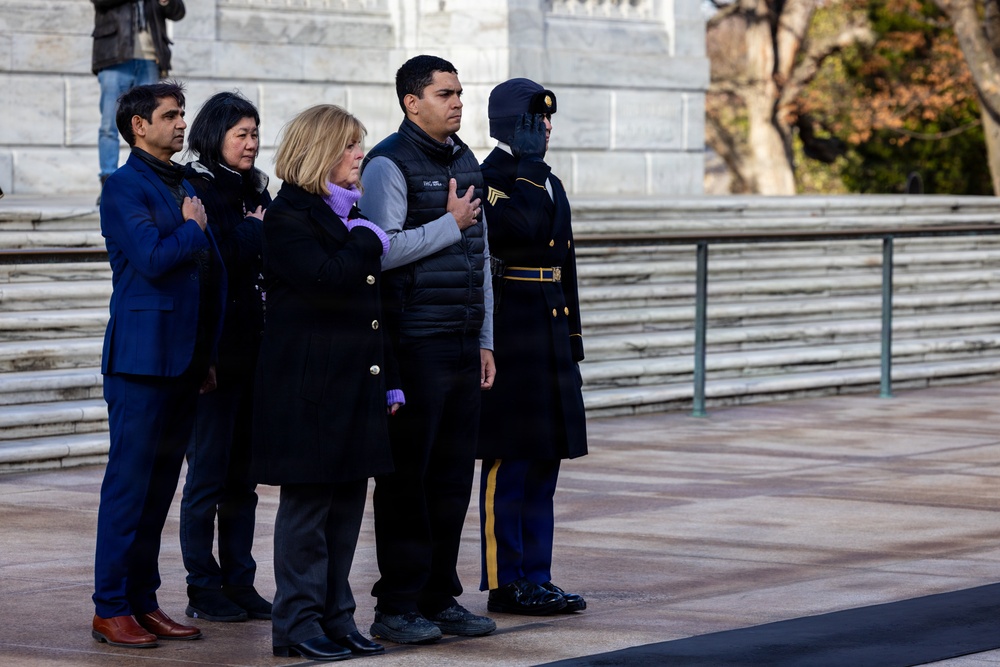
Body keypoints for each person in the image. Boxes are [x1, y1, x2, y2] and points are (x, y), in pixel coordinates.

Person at [252, 104, 400, 662]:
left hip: (353, 385)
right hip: (308, 390)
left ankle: (338, 619)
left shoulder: (346, 217)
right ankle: (296, 623)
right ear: (320, 152)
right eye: (350, 146)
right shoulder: (290, 214)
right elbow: (326, 282)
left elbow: (372, 310)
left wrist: (390, 381)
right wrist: (367, 239)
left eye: (359, 145)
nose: (360, 155)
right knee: (308, 513)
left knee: (344, 514)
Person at [358, 54, 497, 645]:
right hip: (415, 342)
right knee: (407, 480)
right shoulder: (387, 162)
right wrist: (448, 224)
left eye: (460, 93)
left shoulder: (465, 159)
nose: (458, 103)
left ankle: (441, 597)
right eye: (445, 94)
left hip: (463, 340)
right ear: (412, 102)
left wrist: (486, 337)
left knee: (449, 480)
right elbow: (379, 250)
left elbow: (482, 255)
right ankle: (398, 603)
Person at [92, 80, 225, 649]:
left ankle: (143, 601)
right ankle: (110, 607)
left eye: (181, 115)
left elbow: (210, 273)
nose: (180, 124)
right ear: (138, 126)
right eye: (170, 116)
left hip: (185, 360)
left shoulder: (186, 182)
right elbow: (150, 259)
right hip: (141, 362)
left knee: (160, 490)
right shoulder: (122, 187)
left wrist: (207, 354)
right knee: (129, 488)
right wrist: (192, 228)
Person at [476, 79, 589, 616]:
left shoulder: (551, 182)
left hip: (548, 335)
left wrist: (573, 345)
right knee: (511, 463)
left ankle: (537, 576)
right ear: (508, 125)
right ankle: (505, 580)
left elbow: (564, 264)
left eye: (547, 120)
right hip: (513, 335)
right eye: (533, 120)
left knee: (546, 462)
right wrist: (524, 167)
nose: (544, 128)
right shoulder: (491, 179)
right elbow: (518, 229)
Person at [179, 91, 272, 623]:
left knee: (243, 481)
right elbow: (216, 259)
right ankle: (202, 586)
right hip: (216, 357)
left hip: (254, 354)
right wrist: (254, 228)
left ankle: (241, 581)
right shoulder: (200, 189)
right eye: (242, 134)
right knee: (207, 479)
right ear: (216, 135)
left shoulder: (253, 188)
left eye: (255, 134)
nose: (252, 144)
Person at [92, 0, 185, 203]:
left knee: (152, 125)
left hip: (150, 60)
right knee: (109, 125)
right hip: (114, 57)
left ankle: (149, 179)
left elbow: (178, 12)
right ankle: (108, 181)